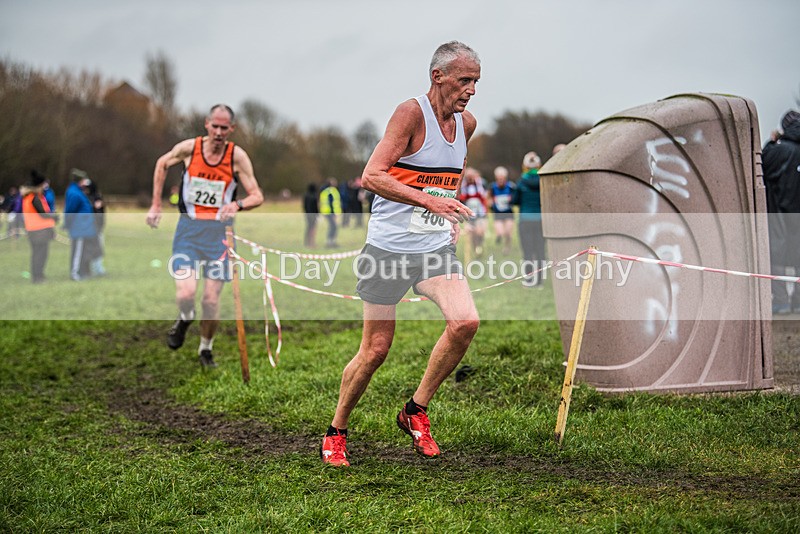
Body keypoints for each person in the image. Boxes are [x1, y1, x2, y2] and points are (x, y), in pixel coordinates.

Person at [321, 41, 481, 467]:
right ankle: (337, 430)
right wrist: (431, 203)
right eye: (464, 80)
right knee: (375, 350)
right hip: (388, 250)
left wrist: (447, 212)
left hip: (432, 250)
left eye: (476, 82)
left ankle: (415, 409)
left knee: (465, 322)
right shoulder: (411, 114)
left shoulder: (467, 125)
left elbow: (448, 179)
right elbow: (372, 175)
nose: (470, 90)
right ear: (438, 77)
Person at [146, 104, 264, 368]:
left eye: (225, 128)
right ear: (206, 124)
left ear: (231, 129)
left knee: (210, 300)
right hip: (188, 230)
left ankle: (205, 349)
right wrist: (156, 204)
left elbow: (257, 194)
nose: (219, 132)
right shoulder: (190, 148)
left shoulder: (237, 157)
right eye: (215, 126)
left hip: (220, 235)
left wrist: (237, 205)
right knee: (186, 293)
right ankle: (186, 317)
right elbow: (161, 163)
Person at [763, 110, 800, 314]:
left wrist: (772, 142)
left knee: (776, 257)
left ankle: (781, 301)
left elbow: (763, 163)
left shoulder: (778, 150)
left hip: (778, 213)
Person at [513, 151, 545, 287]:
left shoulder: (521, 182)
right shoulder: (543, 181)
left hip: (525, 220)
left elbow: (515, 200)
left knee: (527, 250)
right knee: (539, 250)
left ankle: (529, 279)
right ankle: (539, 281)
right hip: (540, 220)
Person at [21, 170, 58, 283]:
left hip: (33, 230)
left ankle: (37, 276)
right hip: (39, 230)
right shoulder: (35, 198)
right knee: (40, 255)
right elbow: (42, 213)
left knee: (36, 254)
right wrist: (54, 216)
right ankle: (38, 277)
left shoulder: (28, 197)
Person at [63, 168, 98, 281]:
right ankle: (75, 273)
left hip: (84, 228)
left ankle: (82, 272)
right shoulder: (74, 193)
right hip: (79, 228)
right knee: (77, 252)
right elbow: (70, 211)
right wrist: (67, 224)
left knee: (82, 252)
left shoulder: (78, 191)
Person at [459, 167, 488, 257]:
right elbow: (461, 198)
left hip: (480, 211)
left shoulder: (480, 183)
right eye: (468, 177)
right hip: (469, 212)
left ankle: (479, 245)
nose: (470, 178)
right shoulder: (463, 185)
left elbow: (484, 195)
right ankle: (475, 248)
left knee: (480, 231)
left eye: (471, 176)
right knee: (472, 233)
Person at [82, 178, 107, 276]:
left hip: (97, 228)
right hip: (90, 228)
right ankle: (91, 269)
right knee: (91, 249)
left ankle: (98, 269)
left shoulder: (97, 198)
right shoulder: (86, 198)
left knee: (98, 249)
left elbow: (100, 213)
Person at [489, 165, 516, 254]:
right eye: (499, 178)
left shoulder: (511, 186)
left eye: (502, 178)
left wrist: (511, 199)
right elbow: (488, 198)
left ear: (505, 178)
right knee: (500, 233)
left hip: (508, 213)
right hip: (498, 213)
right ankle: (499, 238)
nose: (500, 180)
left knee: (508, 233)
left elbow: (516, 197)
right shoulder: (493, 187)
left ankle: (507, 247)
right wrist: (491, 203)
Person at [319, 177, 342, 248]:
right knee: (333, 227)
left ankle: (331, 242)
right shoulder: (331, 191)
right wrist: (334, 214)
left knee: (332, 227)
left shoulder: (325, 191)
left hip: (327, 212)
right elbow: (331, 203)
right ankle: (330, 242)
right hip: (330, 213)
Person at [303, 182, 319, 247]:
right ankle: (312, 242)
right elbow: (316, 207)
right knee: (313, 228)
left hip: (307, 214)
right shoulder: (315, 196)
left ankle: (307, 241)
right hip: (313, 215)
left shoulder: (306, 195)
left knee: (308, 228)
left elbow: (304, 206)